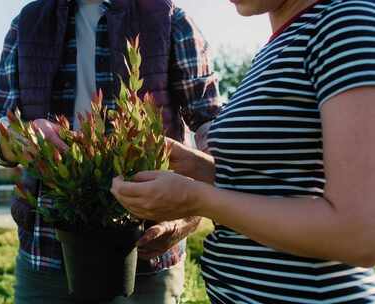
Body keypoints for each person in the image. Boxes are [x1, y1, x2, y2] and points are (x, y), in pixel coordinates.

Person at [111, 0, 375, 303]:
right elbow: (282, 185)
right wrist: (202, 168)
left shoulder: (345, 23)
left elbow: (360, 234)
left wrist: (197, 198)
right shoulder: (282, 43)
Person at [0, 0, 221, 303]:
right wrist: (17, 137)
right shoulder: (28, 23)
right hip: (45, 253)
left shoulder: (168, 17)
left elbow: (210, 122)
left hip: (147, 253)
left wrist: (191, 212)